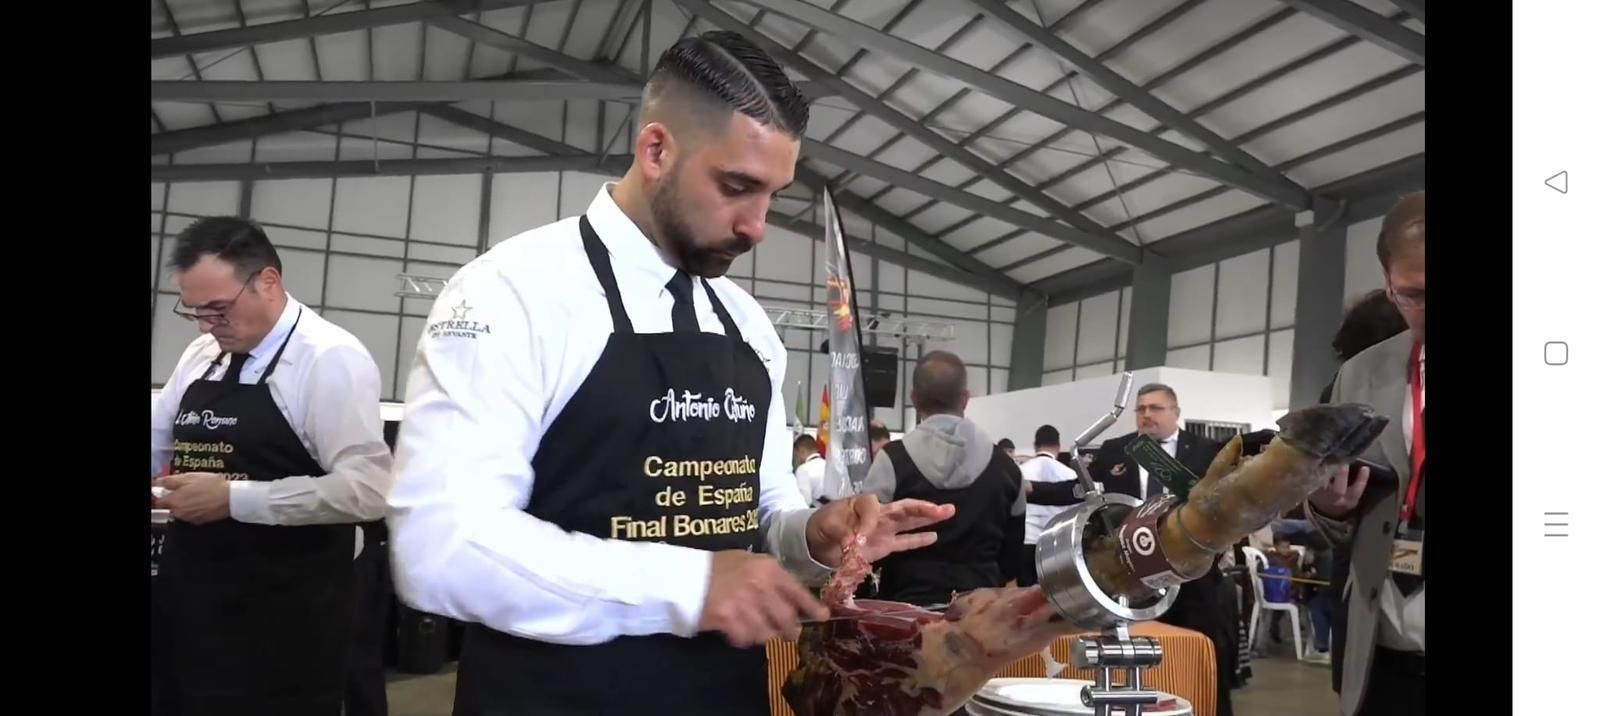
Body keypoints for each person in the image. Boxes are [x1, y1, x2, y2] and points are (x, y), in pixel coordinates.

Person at [384, 31, 954, 715]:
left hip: (721, 695)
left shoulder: (749, 328)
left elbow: (760, 513)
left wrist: (811, 536)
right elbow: (440, 547)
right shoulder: (512, 293)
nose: (758, 227)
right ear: (656, 150)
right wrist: (690, 584)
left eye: (774, 194)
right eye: (737, 187)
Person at [149, 217, 394, 716]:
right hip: (194, 596)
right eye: (193, 312)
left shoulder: (329, 360)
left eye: (218, 310)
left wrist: (234, 499)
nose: (205, 326)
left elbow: (368, 490)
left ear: (268, 282)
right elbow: (156, 438)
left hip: (287, 612)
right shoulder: (202, 354)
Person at [1028, 383, 1237, 716]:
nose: (1146, 415)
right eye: (1140, 409)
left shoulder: (1206, 451)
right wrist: (1030, 488)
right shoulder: (1116, 449)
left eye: (1155, 408)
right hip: (1132, 576)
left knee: (1204, 655)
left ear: (1175, 413)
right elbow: (1076, 489)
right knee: (1135, 661)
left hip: (1194, 576)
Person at [1306, 191, 1426, 716]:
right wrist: (1328, 508)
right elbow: (1335, 501)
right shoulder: (1360, 375)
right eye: (1417, 294)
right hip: (1381, 646)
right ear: (1389, 287)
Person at [858, 351, 1025, 605]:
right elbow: (1012, 557)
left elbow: (867, 546)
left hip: (903, 614)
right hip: (980, 616)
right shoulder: (1007, 468)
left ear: (914, 399)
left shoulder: (890, 461)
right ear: (965, 399)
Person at [1017, 425, 1077, 587]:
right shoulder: (1070, 474)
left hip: (1025, 541)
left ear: (1035, 445)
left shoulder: (1019, 472)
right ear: (1058, 446)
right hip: (1056, 545)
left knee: (1025, 599)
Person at [792, 433, 825, 506]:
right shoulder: (827, 465)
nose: (797, 459)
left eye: (796, 455)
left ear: (801, 451)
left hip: (817, 513)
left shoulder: (803, 469)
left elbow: (805, 501)